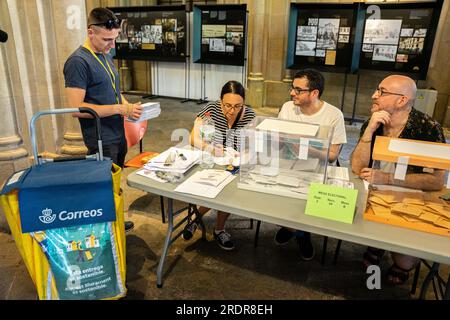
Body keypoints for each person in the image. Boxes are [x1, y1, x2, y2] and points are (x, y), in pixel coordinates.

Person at [351, 74, 446, 285]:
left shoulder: (428, 129)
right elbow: (357, 168)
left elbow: (436, 182)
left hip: (412, 198)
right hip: (374, 192)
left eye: (382, 92)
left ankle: (396, 257)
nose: (374, 95)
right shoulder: (374, 121)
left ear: (401, 100)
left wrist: (387, 178)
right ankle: (377, 244)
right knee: (359, 224)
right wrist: (369, 132)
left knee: (403, 260)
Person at [64, 7, 143, 232]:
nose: (112, 45)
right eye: (107, 39)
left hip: (117, 132)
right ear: (91, 32)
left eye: (115, 39)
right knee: (103, 185)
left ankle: (115, 217)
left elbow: (114, 90)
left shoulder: (105, 55)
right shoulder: (78, 62)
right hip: (100, 136)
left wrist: (128, 107)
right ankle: (105, 229)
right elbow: (76, 108)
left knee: (114, 181)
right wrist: (120, 108)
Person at [274, 69, 347, 260]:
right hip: (289, 164)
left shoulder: (333, 115)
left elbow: (332, 155)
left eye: (298, 90)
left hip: (318, 169)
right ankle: (291, 228)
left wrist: (304, 147)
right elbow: (280, 142)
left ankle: (302, 233)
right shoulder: (288, 107)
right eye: (292, 88)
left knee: (306, 202)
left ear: (314, 93)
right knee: (277, 196)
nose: (292, 93)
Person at [182, 80, 256, 251]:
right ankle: (197, 220)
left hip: (236, 165)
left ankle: (217, 228)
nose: (231, 111)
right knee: (212, 186)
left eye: (237, 106)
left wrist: (241, 156)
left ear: (243, 103)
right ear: (220, 101)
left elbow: (252, 147)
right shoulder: (211, 109)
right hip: (211, 160)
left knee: (227, 189)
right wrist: (210, 148)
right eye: (227, 105)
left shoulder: (250, 116)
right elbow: (193, 138)